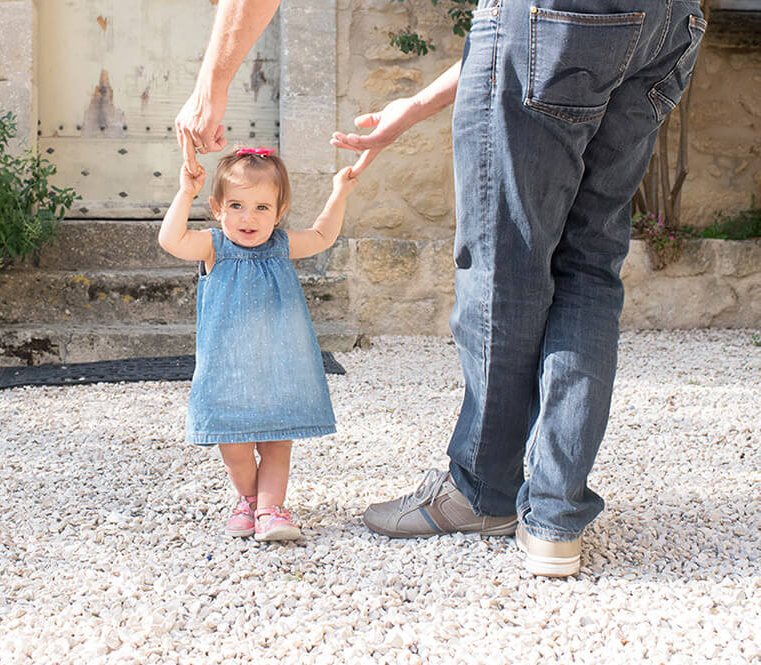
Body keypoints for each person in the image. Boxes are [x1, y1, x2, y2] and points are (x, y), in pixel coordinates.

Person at [176, 0, 706, 575]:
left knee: (506, 268)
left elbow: (542, 18)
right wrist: (416, 106)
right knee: (590, 268)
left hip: (558, 19)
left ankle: (485, 494)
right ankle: (555, 520)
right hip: (670, 21)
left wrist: (213, 83)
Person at [158, 147, 359, 541]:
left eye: (262, 208)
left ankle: (271, 509)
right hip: (227, 369)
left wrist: (340, 193)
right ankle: (247, 499)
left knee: (276, 443)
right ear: (217, 208)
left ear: (279, 212)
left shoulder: (282, 245)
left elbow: (322, 235)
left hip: (279, 367)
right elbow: (171, 239)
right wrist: (185, 192)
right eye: (236, 205)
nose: (248, 218)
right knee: (233, 446)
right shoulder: (214, 246)